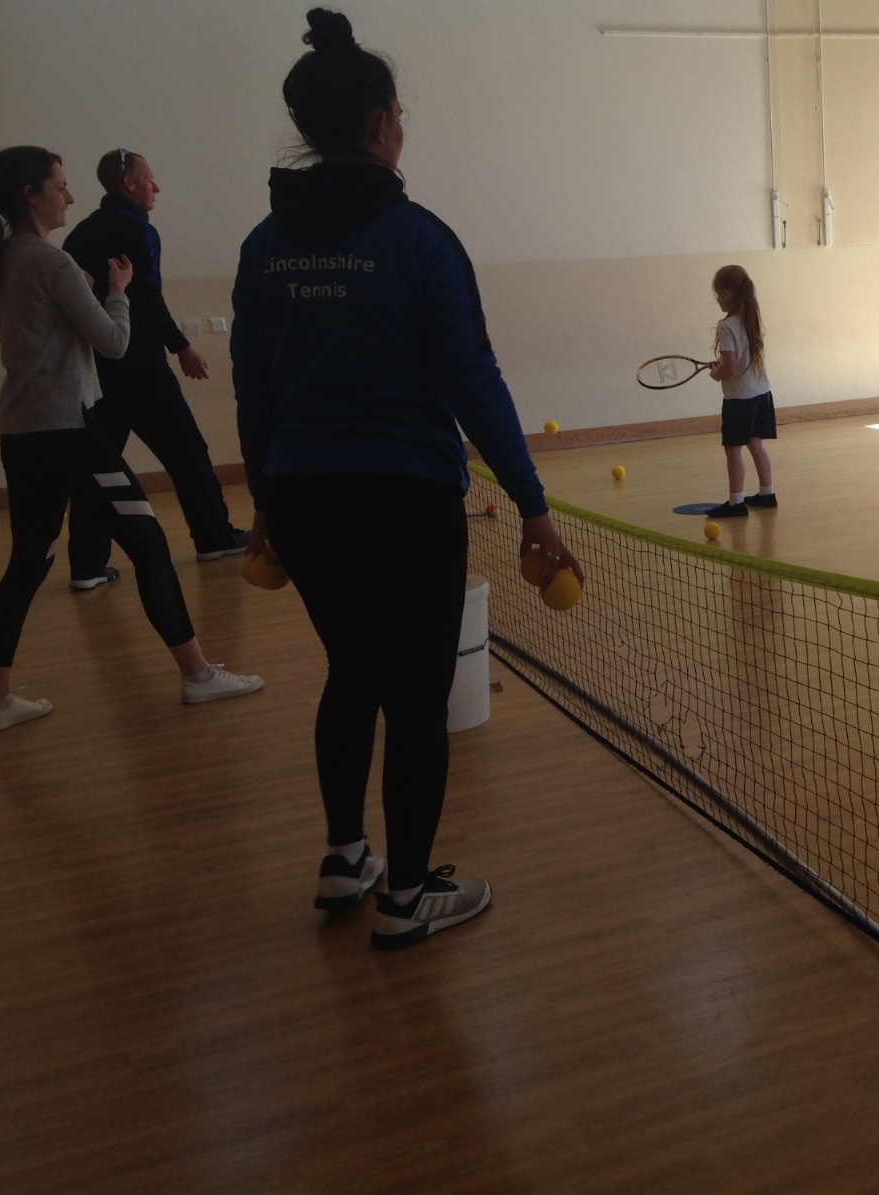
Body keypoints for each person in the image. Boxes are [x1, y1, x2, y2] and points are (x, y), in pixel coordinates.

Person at [232, 8, 581, 950]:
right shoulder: (421, 239)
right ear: (383, 122)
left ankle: (347, 857)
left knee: (352, 671)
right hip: (405, 500)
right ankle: (410, 895)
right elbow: (474, 382)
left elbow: (255, 390)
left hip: (304, 499)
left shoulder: (264, 247)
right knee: (416, 698)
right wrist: (534, 505)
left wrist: (266, 499)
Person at [0, 147, 263, 734]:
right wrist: (118, 288)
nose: (70, 197)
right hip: (68, 432)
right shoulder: (51, 262)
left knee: (28, 561)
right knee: (149, 543)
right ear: (31, 195)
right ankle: (198, 675)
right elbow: (115, 342)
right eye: (60, 187)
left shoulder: (3, 259)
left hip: (21, 434)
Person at [62, 149, 248, 587]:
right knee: (187, 451)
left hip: (96, 368)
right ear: (128, 183)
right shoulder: (138, 229)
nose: (156, 187)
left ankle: (87, 565)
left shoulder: (79, 235)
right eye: (149, 179)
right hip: (141, 367)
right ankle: (214, 537)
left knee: (99, 467)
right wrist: (181, 346)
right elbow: (146, 297)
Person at [704, 265, 777, 520]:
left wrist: (716, 373)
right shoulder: (751, 319)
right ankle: (767, 494)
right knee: (756, 445)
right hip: (761, 393)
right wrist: (722, 365)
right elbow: (739, 360)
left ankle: (736, 503)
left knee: (733, 449)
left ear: (727, 293)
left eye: (718, 294)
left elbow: (731, 365)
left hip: (740, 399)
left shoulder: (727, 326)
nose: (718, 300)